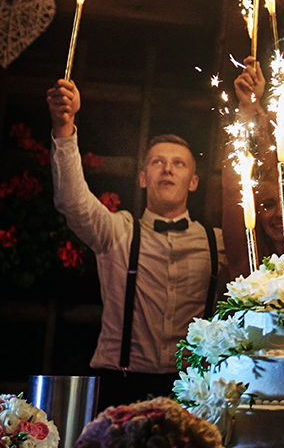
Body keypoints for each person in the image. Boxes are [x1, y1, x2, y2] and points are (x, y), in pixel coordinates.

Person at [46, 78, 226, 411]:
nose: (167, 169)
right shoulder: (117, 232)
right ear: (143, 177)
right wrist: (64, 128)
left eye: (178, 163)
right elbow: (72, 201)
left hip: (194, 388)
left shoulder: (217, 243)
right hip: (120, 383)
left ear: (193, 182)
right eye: (157, 162)